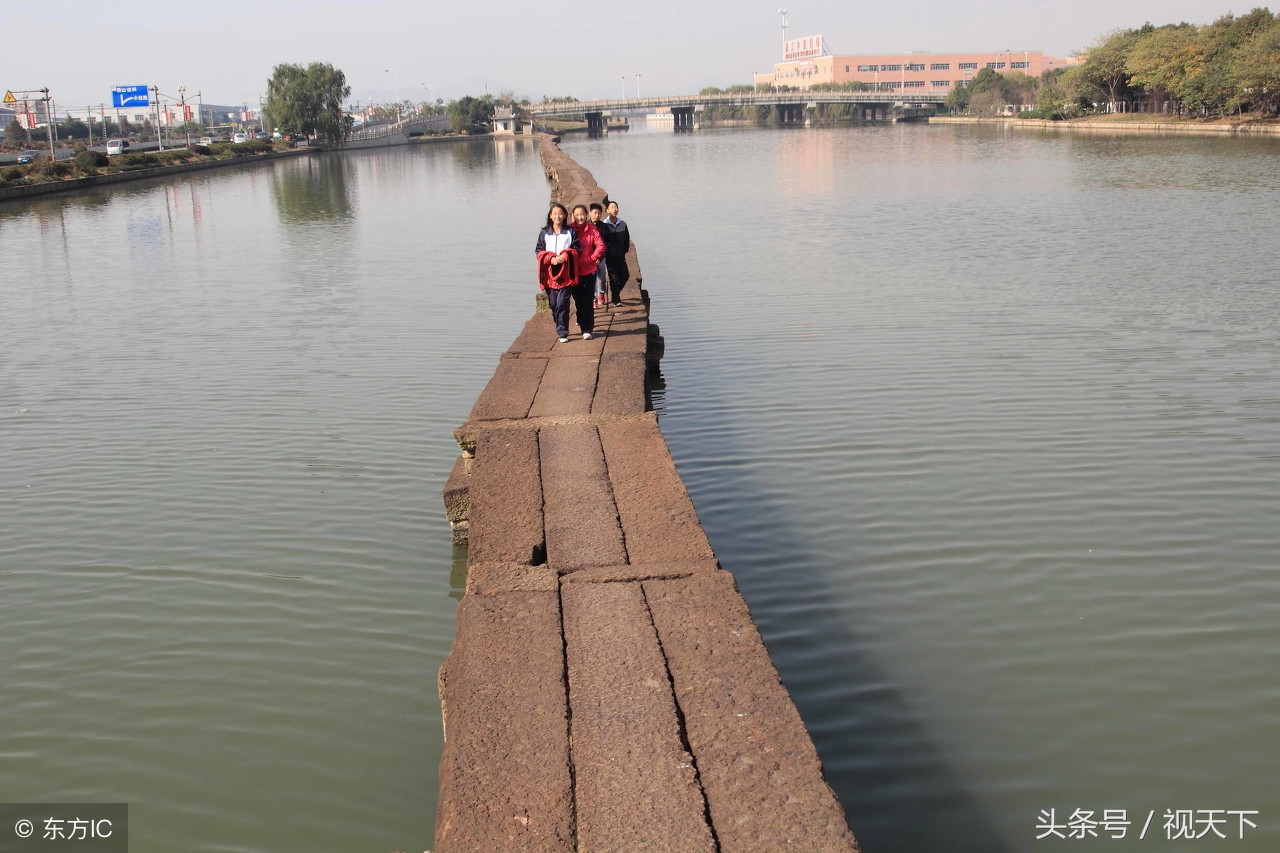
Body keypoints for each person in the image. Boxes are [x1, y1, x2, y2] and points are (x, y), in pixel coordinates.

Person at [535, 203, 581, 343]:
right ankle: (559, 324)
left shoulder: (570, 231)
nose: (557, 216)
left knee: (563, 303)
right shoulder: (544, 233)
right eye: (555, 214)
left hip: (566, 272)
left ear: (565, 215)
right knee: (554, 304)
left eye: (560, 213)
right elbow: (538, 251)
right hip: (549, 273)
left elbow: (577, 249)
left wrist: (566, 255)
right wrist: (551, 258)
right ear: (550, 216)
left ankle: (563, 332)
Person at [569, 204, 605, 338]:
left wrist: (593, 258)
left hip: (589, 270)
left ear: (587, 214)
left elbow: (600, 246)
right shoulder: (570, 230)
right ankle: (581, 320)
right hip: (573, 271)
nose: (580, 217)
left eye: (582, 214)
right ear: (573, 215)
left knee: (588, 299)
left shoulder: (592, 229)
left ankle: (587, 329)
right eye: (577, 215)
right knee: (578, 299)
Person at [601, 200, 631, 306]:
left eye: (616, 207)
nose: (614, 209)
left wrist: (625, 250)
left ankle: (615, 294)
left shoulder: (622, 224)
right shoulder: (604, 225)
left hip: (621, 255)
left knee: (625, 275)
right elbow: (602, 241)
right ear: (607, 210)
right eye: (612, 207)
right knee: (614, 277)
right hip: (610, 256)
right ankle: (616, 300)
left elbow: (627, 238)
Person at [588, 203, 609, 309]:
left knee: (601, 276)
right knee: (591, 278)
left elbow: (605, 243)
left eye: (599, 213)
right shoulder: (586, 225)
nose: (597, 215)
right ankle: (593, 298)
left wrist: (600, 257)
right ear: (589, 213)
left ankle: (601, 293)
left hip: (601, 256)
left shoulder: (603, 226)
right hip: (589, 257)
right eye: (595, 213)